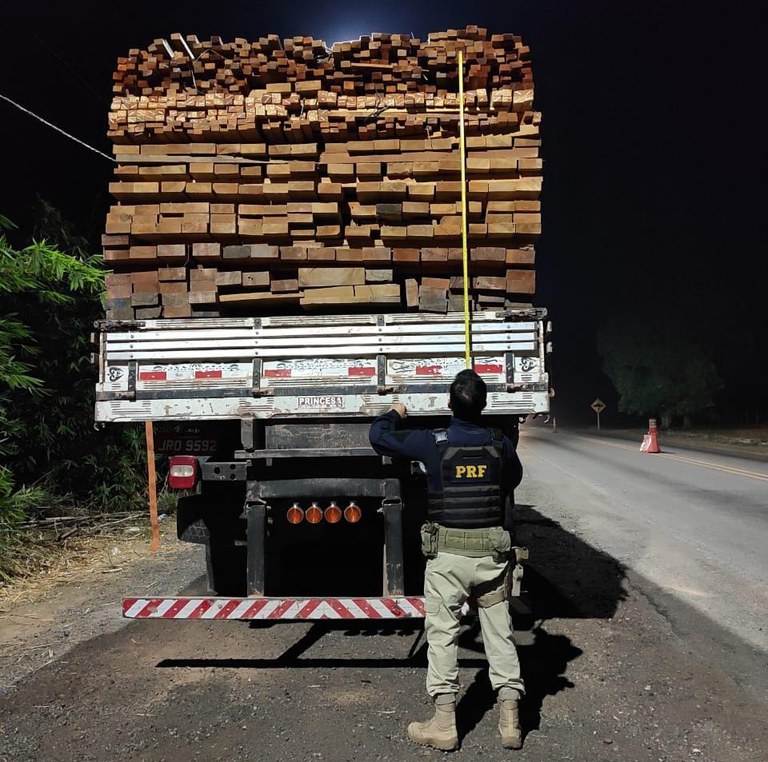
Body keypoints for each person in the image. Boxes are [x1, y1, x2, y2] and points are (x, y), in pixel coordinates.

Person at [369, 369, 525, 751]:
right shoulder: (500, 443)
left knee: (442, 635)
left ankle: (444, 725)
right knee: (499, 633)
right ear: (485, 406)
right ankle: (510, 723)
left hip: (448, 560)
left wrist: (395, 411)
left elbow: (378, 438)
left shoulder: (432, 443)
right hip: (491, 555)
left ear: (449, 404)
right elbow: (513, 480)